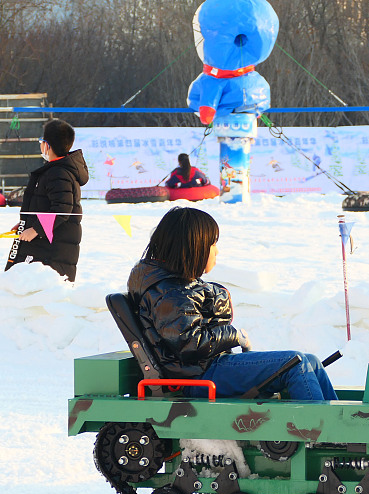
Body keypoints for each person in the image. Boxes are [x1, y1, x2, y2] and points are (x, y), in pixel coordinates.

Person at [127, 206, 336, 401]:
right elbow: (191, 344)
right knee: (295, 364)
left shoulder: (173, 287)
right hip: (200, 375)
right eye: (213, 244)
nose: (217, 251)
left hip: (207, 367)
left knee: (311, 361)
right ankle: (320, 431)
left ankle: (342, 427)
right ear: (193, 248)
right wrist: (234, 335)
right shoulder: (170, 294)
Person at [4, 118, 88, 282]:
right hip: (44, 244)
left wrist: (35, 230)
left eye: (42, 141)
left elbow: (62, 209)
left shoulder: (59, 173)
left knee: (31, 291)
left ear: (48, 145)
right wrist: (26, 223)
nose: (40, 145)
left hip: (51, 248)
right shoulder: (55, 171)